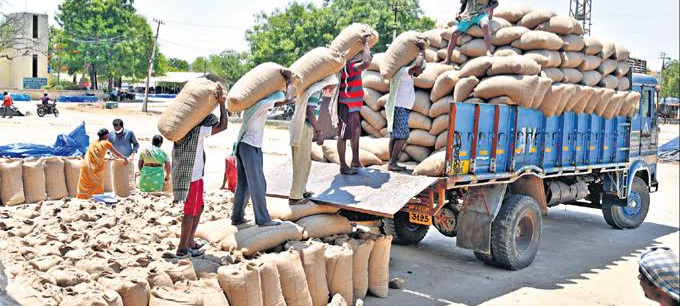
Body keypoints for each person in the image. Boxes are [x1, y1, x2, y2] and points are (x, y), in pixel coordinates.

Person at [231, 69, 296, 226]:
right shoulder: (260, 104)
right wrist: (288, 80)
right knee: (258, 183)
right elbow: (288, 99)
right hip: (250, 146)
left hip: (243, 146)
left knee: (244, 184)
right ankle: (263, 219)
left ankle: (237, 217)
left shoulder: (252, 106)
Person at [172, 79, 229, 257]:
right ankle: (183, 247)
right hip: (193, 176)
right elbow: (223, 125)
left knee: (199, 207)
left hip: (190, 174)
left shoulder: (181, 129)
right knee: (191, 211)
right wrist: (222, 104)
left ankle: (189, 241)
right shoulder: (199, 130)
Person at [289, 74, 339, 204]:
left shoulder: (316, 91)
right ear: (327, 83)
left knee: (304, 161)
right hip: (303, 127)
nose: (333, 90)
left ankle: (301, 191)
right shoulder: (316, 92)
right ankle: (295, 197)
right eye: (333, 87)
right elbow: (310, 112)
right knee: (301, 162)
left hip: (302, 126)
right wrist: (319, 131)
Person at [385, 45, 426, 171]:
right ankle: (392, 163)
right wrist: (421, 51)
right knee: (402, 135)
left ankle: (391, 163)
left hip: (399, 107)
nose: (421, 72)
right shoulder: (404, 72)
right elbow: (418, 65)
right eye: (421, 70)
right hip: (399, 107)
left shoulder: (404, 73)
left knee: (395, 136)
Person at [337, 35, 373, 175]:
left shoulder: (352, 66)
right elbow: (366, 63)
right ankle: (343, 165)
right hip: (346, 106)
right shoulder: (349, 67)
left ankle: (355, 160)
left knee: (355, 132)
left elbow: (368, 60)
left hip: (353, 107)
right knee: (343, 135)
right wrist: (366, 43)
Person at [77, 129, 127, 199]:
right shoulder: (106, 143)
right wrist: (125, 158)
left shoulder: (93, 142)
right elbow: (117, 153)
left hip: (86, 165)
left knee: (86, 184)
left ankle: (84, 197)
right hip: (96, 168)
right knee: (97, 184)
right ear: (106, 135)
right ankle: (96, 197)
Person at [109, 119, 140, 189]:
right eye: (115, 129)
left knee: (129, 178)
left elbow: (136, 145)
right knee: (117, 179)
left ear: (122, 127)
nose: (117, 131)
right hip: (116, 160)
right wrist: (110, 154)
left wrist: (133, 154)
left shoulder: (129, 133)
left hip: (128, 160)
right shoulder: (111, 134)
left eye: (119, 129)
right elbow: (108, 146)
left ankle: (130, 192)